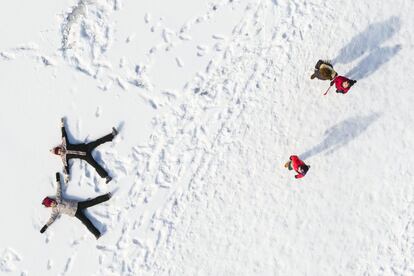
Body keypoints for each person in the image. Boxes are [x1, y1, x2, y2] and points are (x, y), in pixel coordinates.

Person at [40, 173, 111, 239]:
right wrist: (46, 226)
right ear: (50, 206)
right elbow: (52, 219)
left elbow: (59, 189)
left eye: (52, 201)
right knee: (86, 222)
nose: (53, 202)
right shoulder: (55, 211)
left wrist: (58, 179)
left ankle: (107, 196)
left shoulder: (58, 198)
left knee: (92, 202)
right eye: (51, 203)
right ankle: (97, 234)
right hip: (75, 213)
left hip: (78, 205)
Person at [51, 118, 117, 183]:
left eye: (59, 149)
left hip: (86, 147)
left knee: (98, 141)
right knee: (95, 165)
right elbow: (66, 167)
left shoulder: (64, 144)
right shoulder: (63, 157)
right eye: (59, 152)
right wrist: (67, 176)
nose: (60, 151)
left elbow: (64, 135)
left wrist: (62, 125)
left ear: (59, 147)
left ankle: (112, 135)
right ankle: (106, 177)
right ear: (59, 154)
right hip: (86, 157)